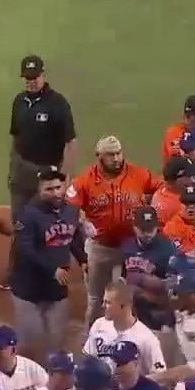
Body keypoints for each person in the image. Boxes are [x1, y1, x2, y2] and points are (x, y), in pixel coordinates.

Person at [67, 136, 163, 323]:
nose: (117, 158)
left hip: (130, 248)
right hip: (99, 248)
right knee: (96, 300)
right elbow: (68, 208)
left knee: (125, 297)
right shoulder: (85, 180)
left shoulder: (138, 173)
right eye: (111, 155)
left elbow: (162, 188)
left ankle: (125, 337)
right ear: (99, 156)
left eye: (118, 153)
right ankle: (92, 341)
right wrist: (80, 220)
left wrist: (154, 207)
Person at [6, 55, 77, 288]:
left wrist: (65, 178)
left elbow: (70, 142)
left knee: (47, 225)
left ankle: (49, 272)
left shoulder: (57, 103)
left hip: (49, 172)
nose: (31, 81)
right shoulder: (18, 101)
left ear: (43, 75)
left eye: (34, 77)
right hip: (23, 172)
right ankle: (16, 271)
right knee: (20, 223)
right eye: (27, 78)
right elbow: (15, 138)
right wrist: (12, 168)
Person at [10, 166, 88, 359]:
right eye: (49, 189)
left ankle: (53, 384)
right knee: (31, 346)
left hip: (56, 290)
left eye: (58, 187)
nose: (55, 193)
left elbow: (73, 237)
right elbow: (25, 249)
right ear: (40, 190)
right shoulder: (28, 214)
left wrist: (83, 260)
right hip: (29, 291)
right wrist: (53, 269)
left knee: (56, 343)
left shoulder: (71, 210)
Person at [121, 206, 185, 365]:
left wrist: (153, 286)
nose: (148, 233)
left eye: (151, 229)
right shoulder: (127, 246)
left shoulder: (168, 250)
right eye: (143, 229)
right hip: (135, 315)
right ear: (135, 227)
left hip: (160, 316)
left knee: (159, 364)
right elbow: (123, 277)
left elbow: (177, 287)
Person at [82, 280, 166, 373]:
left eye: (108, 303)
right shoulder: (99, 325)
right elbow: (87, 359)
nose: (103, 306)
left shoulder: (147, 339)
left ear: (124, 306)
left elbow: (159, 375)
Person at [152, 156, 195, 225]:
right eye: (188, 176)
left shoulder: (160, 192)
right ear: (175, 180)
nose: (192, 179)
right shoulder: (179, 205)